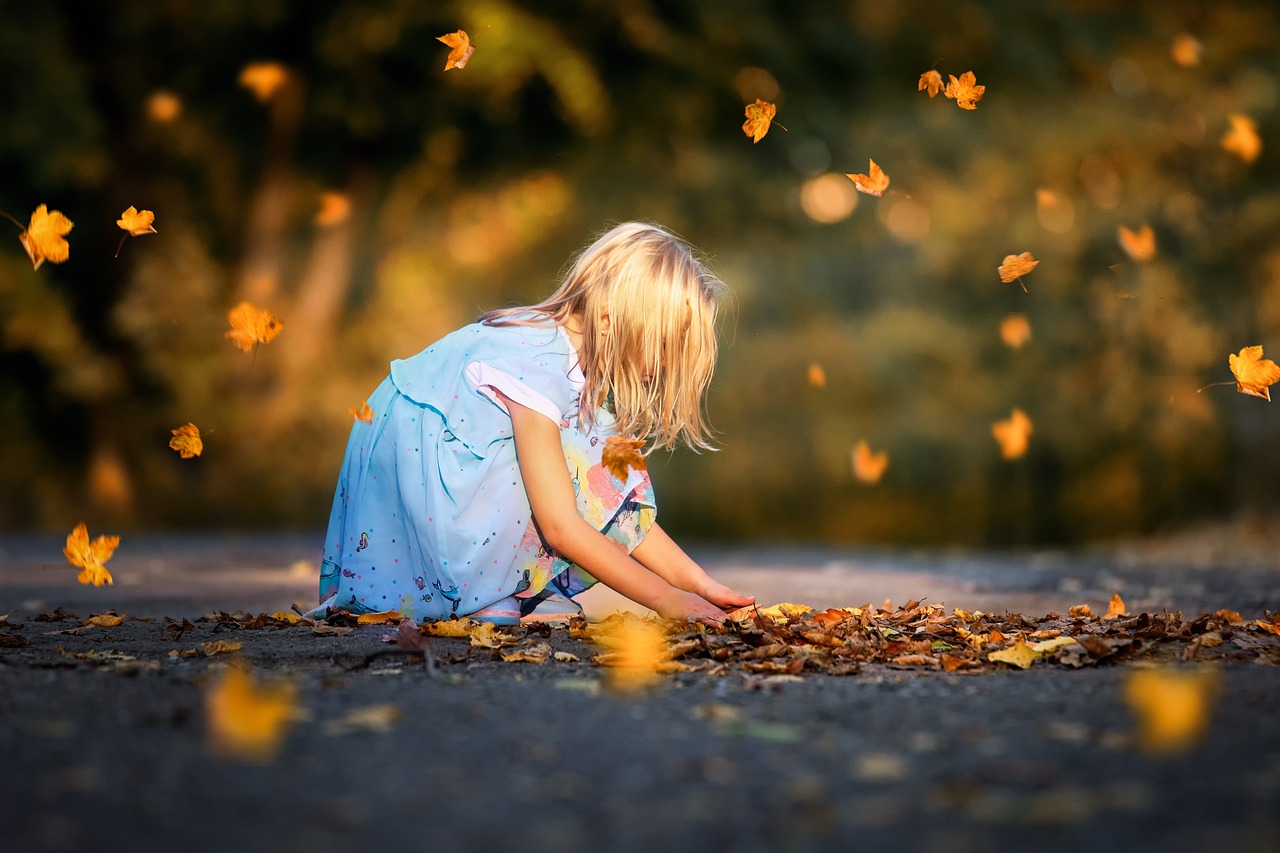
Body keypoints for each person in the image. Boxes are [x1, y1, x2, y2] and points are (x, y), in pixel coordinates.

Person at [315, 222, 753, 626]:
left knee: (595, 450)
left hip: (416, 483)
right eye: (665, 344)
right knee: (585, 449)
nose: (666, 363)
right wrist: (664, 599)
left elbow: (612, 501)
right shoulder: (541, 367)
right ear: (608, 319)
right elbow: (560, 525)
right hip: (428, 494)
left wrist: (699, 586)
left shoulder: (548, 347)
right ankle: (480, 592)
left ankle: (495, 586)